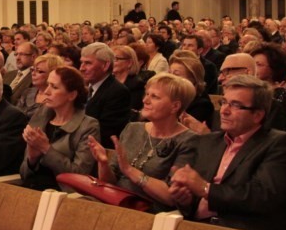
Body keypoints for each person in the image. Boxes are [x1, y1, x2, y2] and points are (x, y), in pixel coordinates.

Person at [170, 75, 286, 230]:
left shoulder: (280, 144)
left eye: (235, 105)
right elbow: (193, 198)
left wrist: (205, 188)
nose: (224, 110)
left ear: (257, 115)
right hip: (196, 228)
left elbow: (262, 196)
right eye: (223, 102)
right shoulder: (207, 142)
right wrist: (185, 200)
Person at [89, 73, 198, 211]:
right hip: (115, 202)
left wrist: (130, 171)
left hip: (149, 212)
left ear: (175, 106)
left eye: (155, 97)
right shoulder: (132, 128)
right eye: (147, 94)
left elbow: (171, 197)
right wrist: (103, 163)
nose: (145, 100)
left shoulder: (189, 141)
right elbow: (110, 182)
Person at [20, 66, 99, 190]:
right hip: (31, 190)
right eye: (48, 85)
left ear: (72, 95)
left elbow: (80, 176)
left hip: (63, 196)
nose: (46, 91)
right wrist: (32, 159)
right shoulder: (41, 115)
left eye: (54, 87)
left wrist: (46, 149)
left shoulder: (88, 126)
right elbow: (24, 174)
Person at [80, 43, 131, 147]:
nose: (82, 68)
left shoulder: (118, 92)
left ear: (105, 65)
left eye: (88, 63)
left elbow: (107, 134)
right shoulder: (86, 88)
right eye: (82, 63)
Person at [250, 43, 286, 132]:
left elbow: (271, 130)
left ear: (274, 68)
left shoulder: (281, 94)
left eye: (259, 65)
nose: (253, 69)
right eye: (252, 64)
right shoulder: (251, 90)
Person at [170, 51, 214, 125]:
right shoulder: (170, 96)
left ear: (193, 79)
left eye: (176, 75)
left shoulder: (202, 105)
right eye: (169, 73)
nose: (169, 78)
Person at [15, 54, 63, 119]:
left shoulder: (55, 98)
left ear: (52, 74)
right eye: (32, 69)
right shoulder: (27, 92)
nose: (33, 73)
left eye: (39, 71)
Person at [112, 45, 146, 112]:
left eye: (116, 59)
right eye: (111, 58)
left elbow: (129, 112)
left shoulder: (137, 85)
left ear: (129, 63)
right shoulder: (108, 81)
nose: (111, 62)